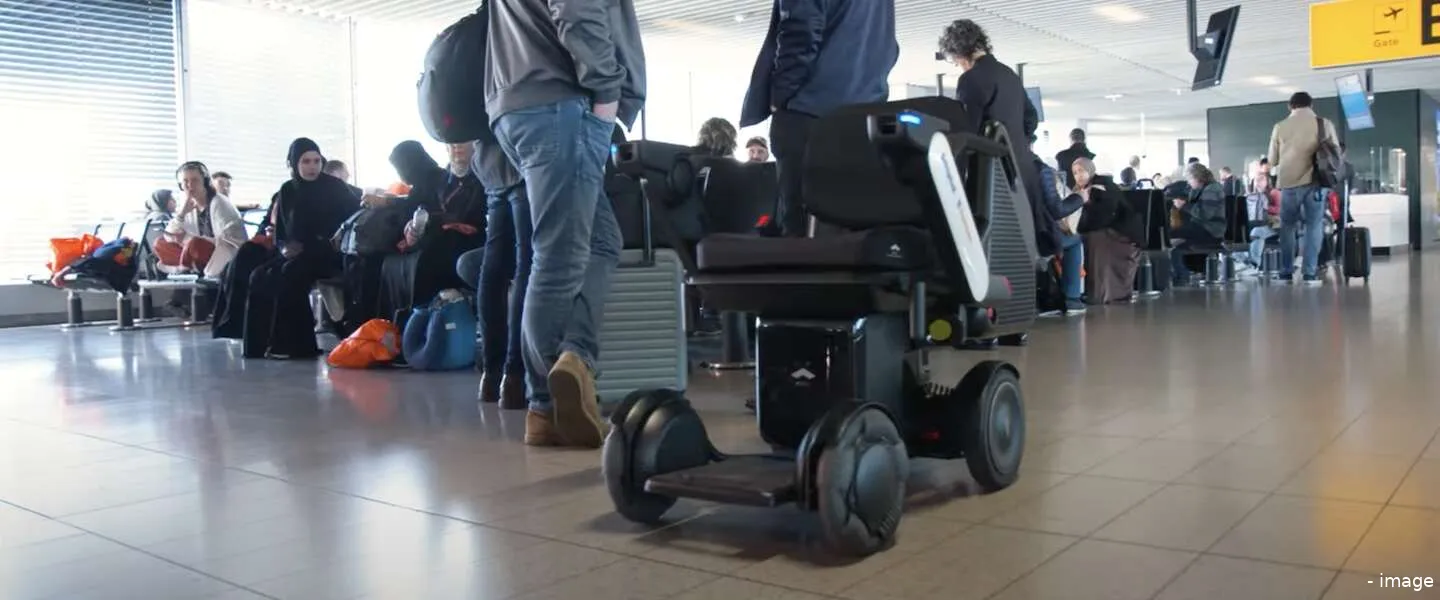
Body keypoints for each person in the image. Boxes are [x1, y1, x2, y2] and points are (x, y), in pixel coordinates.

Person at [484, 0, 644, 447]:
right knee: (559, 256)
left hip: (518, 103)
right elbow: (576, 9)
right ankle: (545, 405)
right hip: (559, 102)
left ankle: (572, 360)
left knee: (601, 241)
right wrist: (608, 92)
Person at [740, 0, 898, 237]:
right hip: (863, 114)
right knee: (848, 228)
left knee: (801, 232)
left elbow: (800, 32)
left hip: (809, 111)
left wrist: (781, 94)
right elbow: (888, 45)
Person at [940, 18, 1057, 258]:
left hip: (994, 176)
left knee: (999, 251)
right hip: (1024, 171)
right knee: (1026, 247)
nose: (958, 65)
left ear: (960, 52)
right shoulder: (1009, 75)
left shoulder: (971, 79)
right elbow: (1031, 118)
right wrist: (1018, 143)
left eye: (955, 60)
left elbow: (967, 131)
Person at [238, 138, 359, 359]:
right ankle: (259, 345)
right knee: (259, 275)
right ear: (294, 164)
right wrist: (284, 248)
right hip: (297, 252)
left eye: (316, 161)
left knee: (290, 274)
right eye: (305, 162)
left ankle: (295, 346)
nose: (312, 167)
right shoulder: (287, 190)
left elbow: (351, 220)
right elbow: (282, 231)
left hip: (328, 253)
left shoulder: (334, 188)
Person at [456, 128, 531, 410]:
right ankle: (515, 376)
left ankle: (492, 375)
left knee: (495, 266)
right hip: (523, 152)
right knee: (527, 263)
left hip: (490, 159)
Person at [378, 141, 486, 328]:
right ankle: (401, 326)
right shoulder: (444, 179)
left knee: (434, 253)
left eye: (461, 143)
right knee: (393, 260)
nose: (456, 147)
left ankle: (425, 325)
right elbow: (423, 210)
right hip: (437, 236)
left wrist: (440, 221)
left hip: (468, 241)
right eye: (452, 144)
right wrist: (413, 226)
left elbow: (473, 218)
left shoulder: (484, 176)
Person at [1267, 91, 1338, 285]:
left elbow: (1272, 160)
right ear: (1311, 105)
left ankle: (1286, 272)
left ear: (1290, 106)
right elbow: (1336, 153)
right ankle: (1309, 273)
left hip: (1289, 184)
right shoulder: (1324, 124)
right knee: (1313, 226)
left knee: (1287, 227)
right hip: (1317, 182)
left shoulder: (1280, 127)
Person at [1071, 157, 1145, 304]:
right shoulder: (1081, 190)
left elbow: (1103, 217)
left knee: (1094, 239)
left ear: (1090, 170)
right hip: (1107, 229)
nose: (1078, 175)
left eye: (1081, 171)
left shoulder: (1102, 187)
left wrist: (1086, 205)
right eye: (1075, 173)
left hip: (1122, 234)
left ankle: (1102, 292)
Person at [159, 162, 247, 279]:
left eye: (194, 180)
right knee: (160, 243)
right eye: (185, 182)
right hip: (195, 254)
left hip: (221, 253)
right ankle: (188, 266)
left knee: (195, 244)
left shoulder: (219, 203)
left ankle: (188, 266)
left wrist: (188, 240)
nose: (190, 185)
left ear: (205, 182)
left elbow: (229, 241)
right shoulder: (188, 205)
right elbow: (169, 236)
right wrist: (182, 213)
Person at [1033, 136, 1085, 316]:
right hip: (1036, 237)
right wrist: (1080, 198)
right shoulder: (1040, 169)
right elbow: (1057, 209)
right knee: (1075, 240)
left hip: (1007, 235)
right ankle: (1072, 299)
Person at [1169, 162, 1228, 285]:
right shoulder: (1200, 189)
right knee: (1174, 236)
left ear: (1197, 178)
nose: (1189, 182)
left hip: (1211, 230)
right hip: (1203, 228)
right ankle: (1185, 271)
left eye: (1190, 179)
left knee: (1171, 234)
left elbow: (1206, 214)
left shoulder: (1212, 189)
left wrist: (1184, 206)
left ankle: (1182, 274)